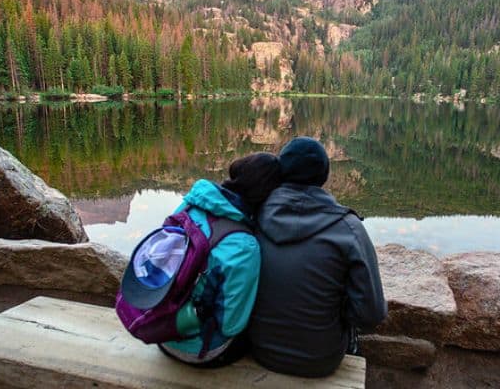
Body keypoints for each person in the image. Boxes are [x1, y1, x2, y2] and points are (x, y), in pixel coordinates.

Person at [248, 137, 387, 377]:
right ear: (324, 176)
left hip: (260, 351)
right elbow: (370, 315)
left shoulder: (253, 214)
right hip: (319, 360)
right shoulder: (349, 228)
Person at [158, 152, 282, 367]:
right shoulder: (243, 246)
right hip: (198, 350)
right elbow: (231, 325)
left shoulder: (190, 205)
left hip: (159, 330)